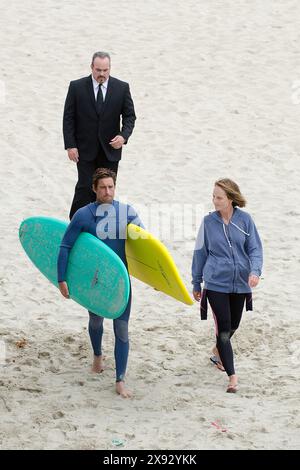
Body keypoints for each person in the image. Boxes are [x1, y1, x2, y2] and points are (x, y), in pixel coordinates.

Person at [57, 168, 143, 398]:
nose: (107, 191)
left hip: (120, 280)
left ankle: (120, 379)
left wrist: (156, 279)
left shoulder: (127, 213)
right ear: (94, 189)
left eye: (111, 187)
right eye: (103, 187)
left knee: (122, 328)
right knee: (95, 320)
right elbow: (65, 246)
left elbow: (145, 248)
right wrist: (62, 278)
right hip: (94, 279)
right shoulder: (83, 215)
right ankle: (97, 355)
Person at [192, 178, 263, 393]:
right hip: (215, 283)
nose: (214, 201)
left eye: (219, 197)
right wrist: (197, 281)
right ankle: (232, 376)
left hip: (241, 283)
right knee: (223, 328)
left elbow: (255, 250)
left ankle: (217, 351)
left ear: (231, 198)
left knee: (234, 325)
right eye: (213, 196)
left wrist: (255, 271)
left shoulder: (245, 221)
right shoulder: (208, 222)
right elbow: (200, 253)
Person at [63, 51, 136, 219]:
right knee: (85, 186)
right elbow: (68, 118)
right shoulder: (76, 87)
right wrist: (70, 145)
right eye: (98, 70)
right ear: (92, 67)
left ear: (109, 68)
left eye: (105, 70)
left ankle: (102, 224)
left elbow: (130, 116)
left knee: (106, 189)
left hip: (110, 150)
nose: (101, 74)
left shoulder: (122, 87)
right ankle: (76, 221)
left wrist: (123, 136)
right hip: (84, 149)